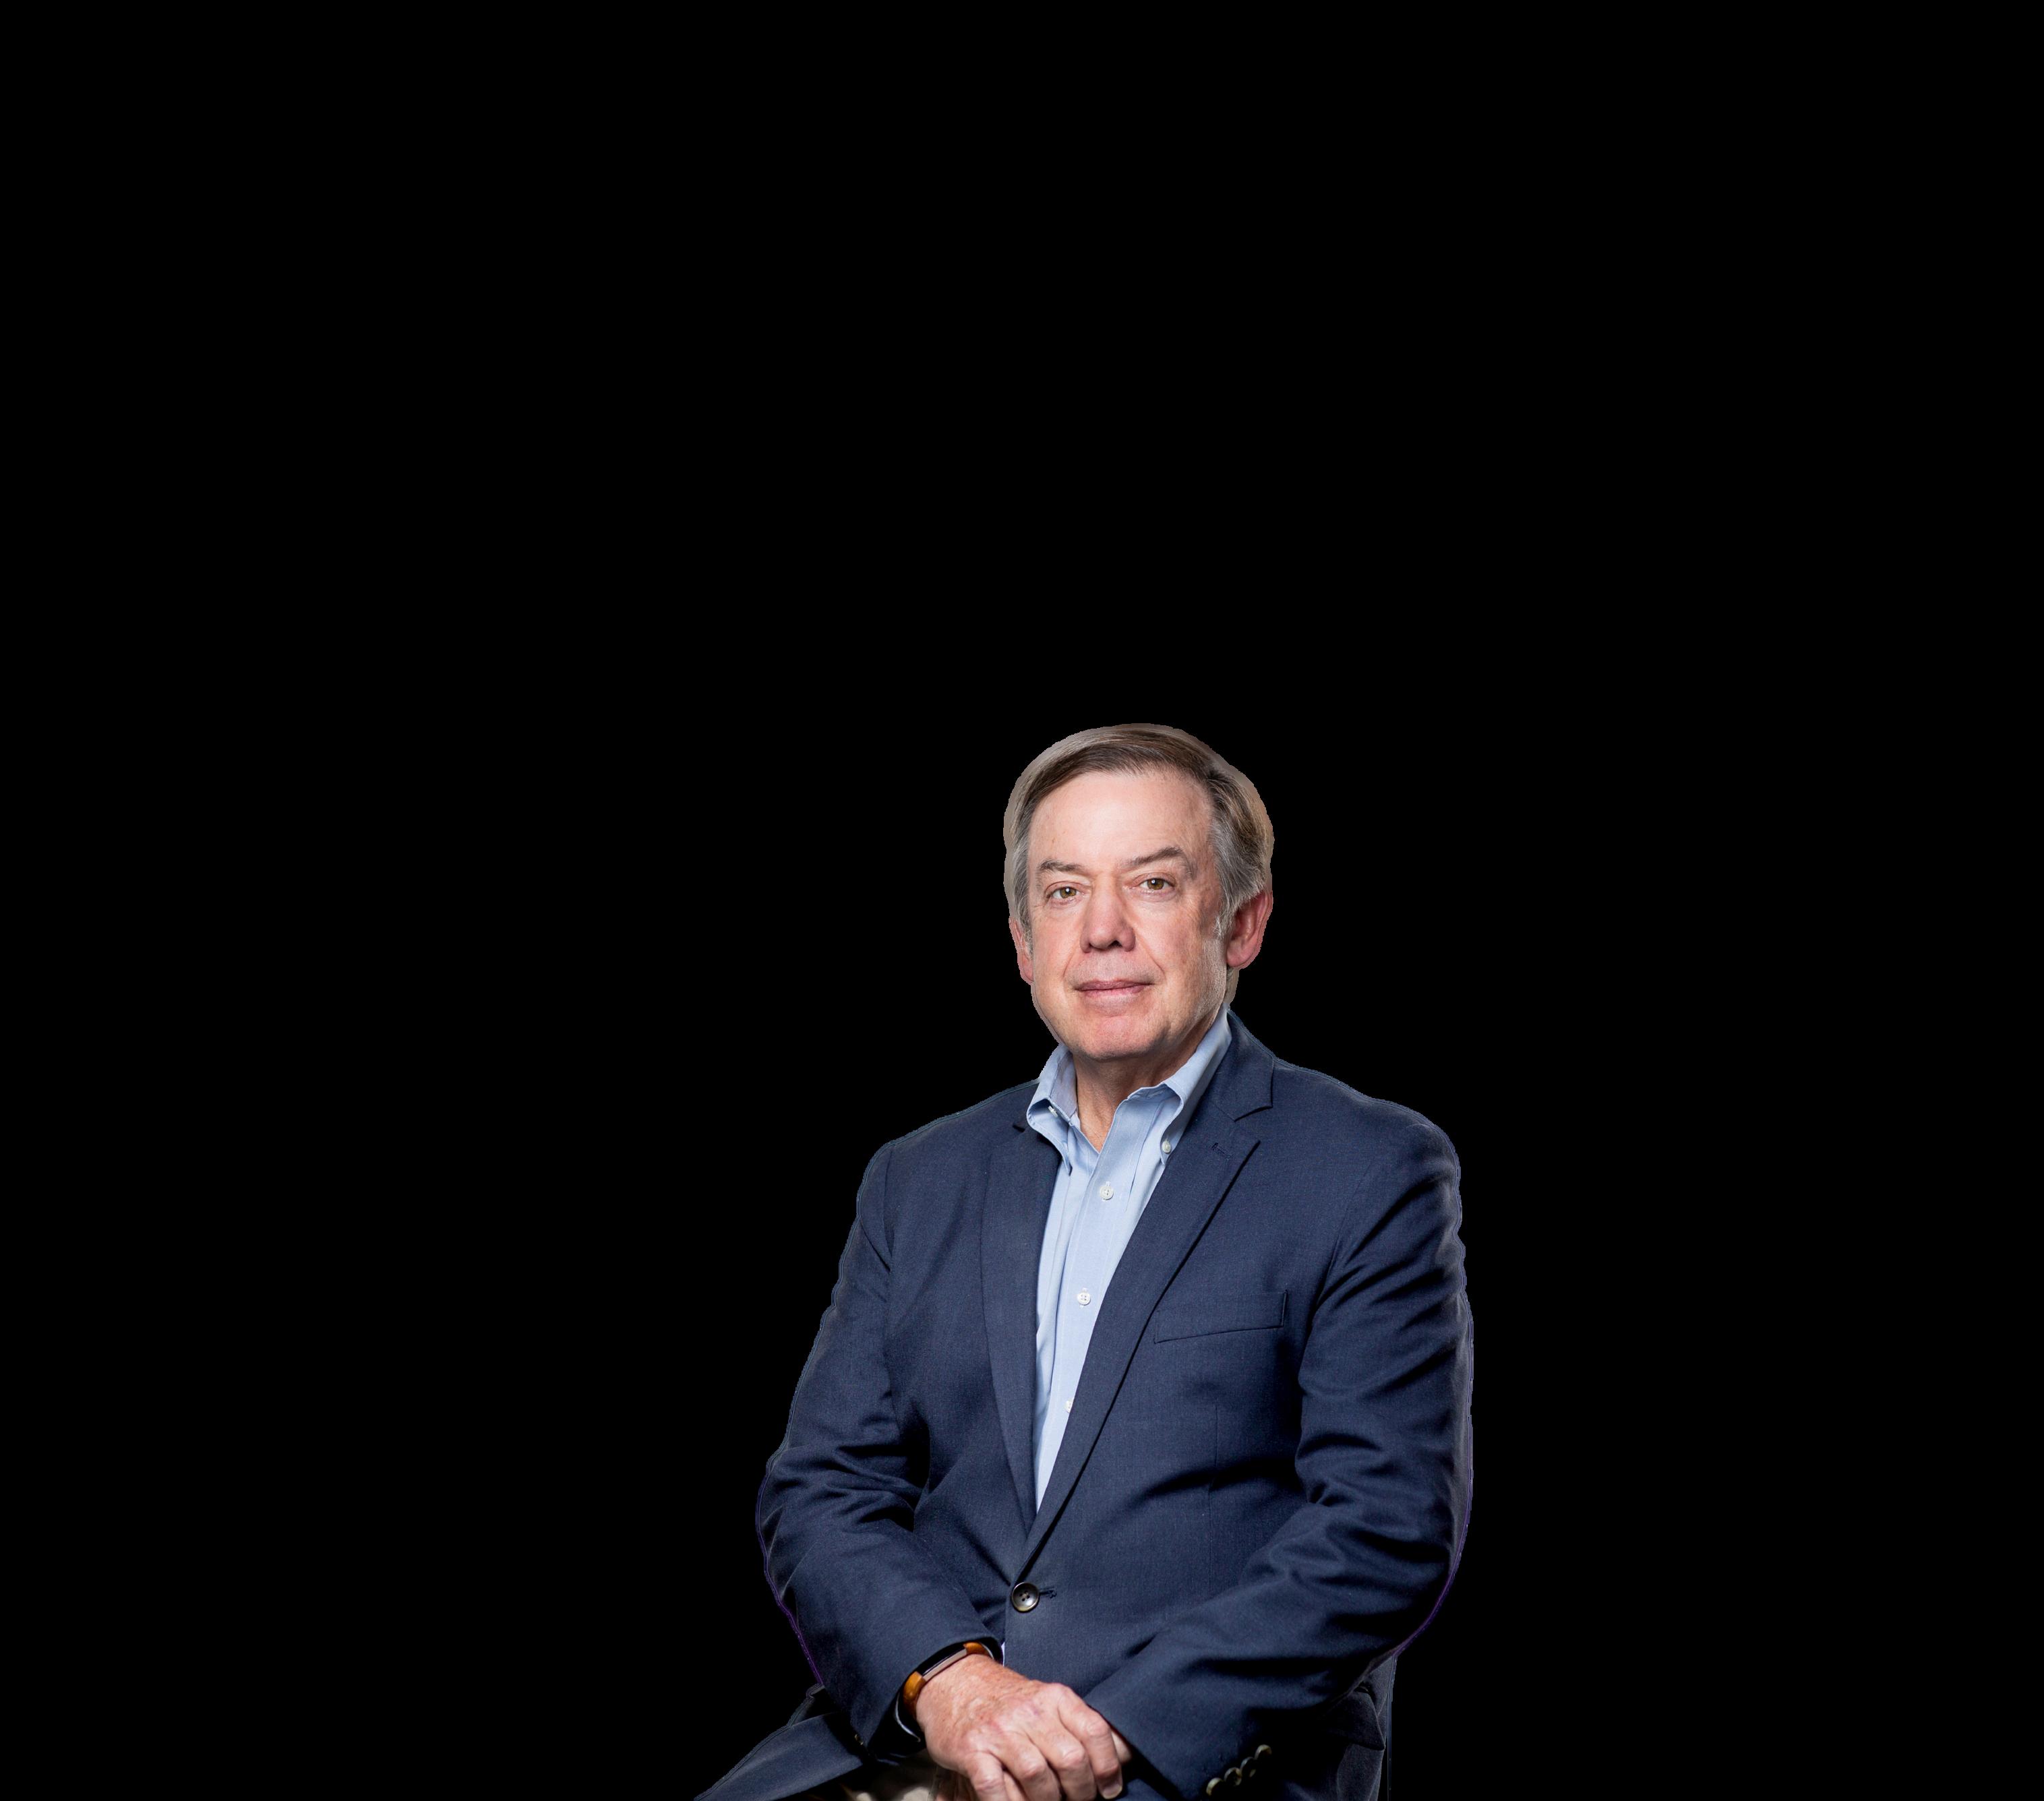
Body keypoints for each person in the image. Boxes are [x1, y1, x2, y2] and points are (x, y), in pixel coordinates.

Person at [701, 724, 1473, 1801]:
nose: (1102, 930)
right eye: (1064, 893)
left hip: (1191, 1765)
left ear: (1243, 922)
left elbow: (1385, 1529)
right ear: (1024, 942)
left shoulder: (1367, 1168)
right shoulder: (917, 1178)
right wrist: (952, 1684)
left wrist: (1103, 1736)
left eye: (1153, 883)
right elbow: (822, 1491)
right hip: (911, 1745)